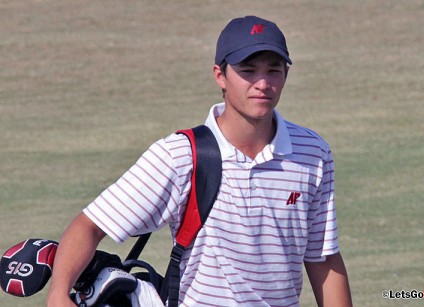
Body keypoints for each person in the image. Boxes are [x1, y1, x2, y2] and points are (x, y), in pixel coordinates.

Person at [47, 15, 352, 306]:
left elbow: (322, 257)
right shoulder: (180, 156)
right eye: (248, 70)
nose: (262, 83)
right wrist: (58, 296)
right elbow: (88, 226)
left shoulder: (313, 153)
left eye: (273, 70)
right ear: (220, 75)